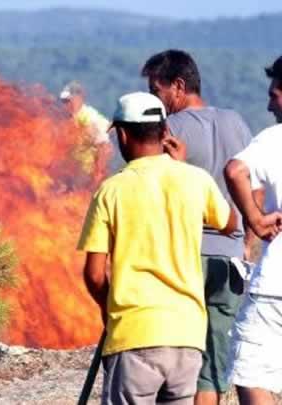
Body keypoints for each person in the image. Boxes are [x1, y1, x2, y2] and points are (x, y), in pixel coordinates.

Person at [78, 91, 238, 405]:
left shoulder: (111, 190)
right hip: (188, 337)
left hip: (134, 335)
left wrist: (109, 310)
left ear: (122, 135)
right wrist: (182, 169)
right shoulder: (195, 179)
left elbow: (95, 275)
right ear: (165, 133)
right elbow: (230, 223)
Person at [141, 49, 253, 405]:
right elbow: (254, 185)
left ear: (178, 86)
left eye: (156, 92)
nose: (154, 100)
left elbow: (153, 187)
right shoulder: (236, 122)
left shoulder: (170, 128)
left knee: (176, 356)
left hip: (185, 260)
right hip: (232, 257)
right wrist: (247, 242)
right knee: (214, 358)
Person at [224, 55, 282, 405]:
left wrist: (257, 219)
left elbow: (234, 171)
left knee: (249, 372)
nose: (269, 104)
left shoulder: (276, 139)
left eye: (274, 95)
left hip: (277, 288)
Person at [60, 81, 112, 181]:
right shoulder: (70, 119)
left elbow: (104, 147)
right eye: (64, 101)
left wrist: (98, 173)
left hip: (87, 176)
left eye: (69, 100)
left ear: (79, 98)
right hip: (73, 176)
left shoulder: (89, 117)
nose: (66, 104)